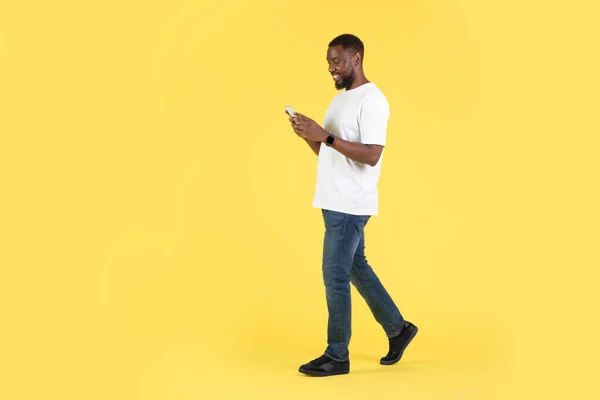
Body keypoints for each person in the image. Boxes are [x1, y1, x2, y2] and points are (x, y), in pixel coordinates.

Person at [286, 34, 418, 377]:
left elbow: (372, 155)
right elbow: (329, 151)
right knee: (356, 267)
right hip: (332, 198)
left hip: (350, 202)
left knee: (335, 275)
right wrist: (310, 137)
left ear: (356, 58)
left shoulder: (372, 100)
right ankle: (398, 328)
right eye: (329, 62)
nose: (332, 68)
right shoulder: (340, 101)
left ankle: (337, 355)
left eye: (337, 61)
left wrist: (325, 135)